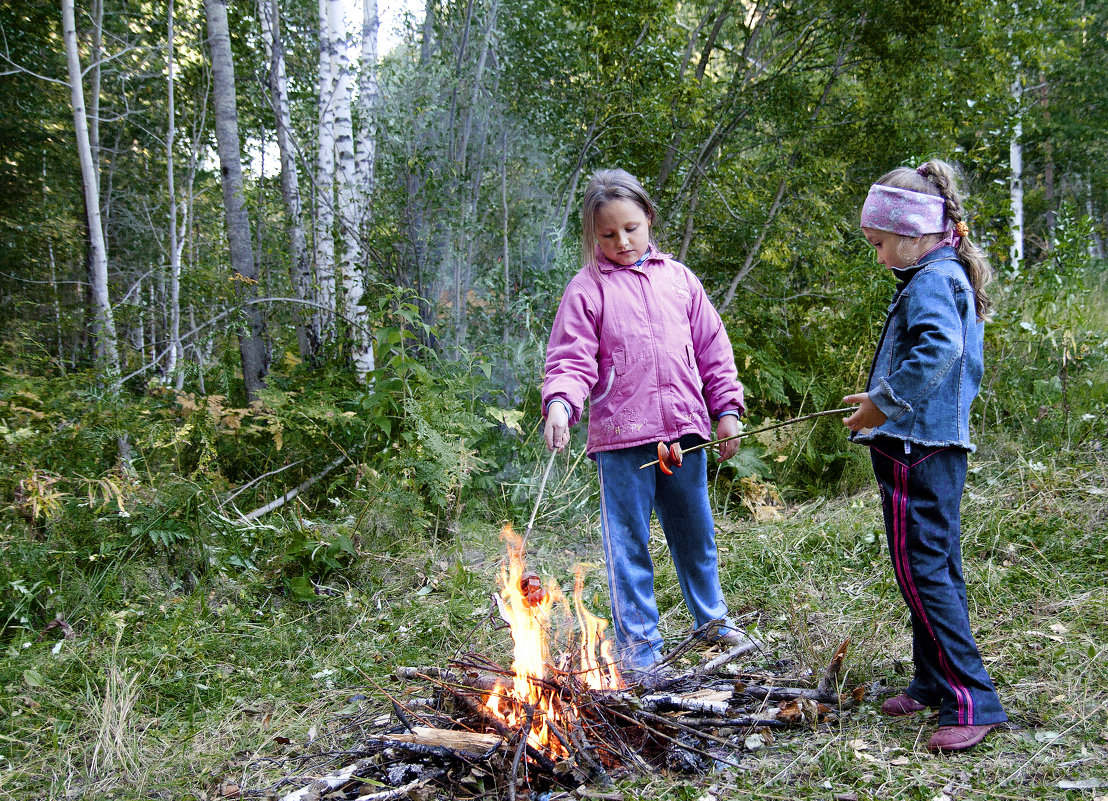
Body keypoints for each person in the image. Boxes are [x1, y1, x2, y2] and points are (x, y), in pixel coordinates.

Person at [542, 168, 750, 686]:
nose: (622, 242)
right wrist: (561, 406)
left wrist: (725, 410)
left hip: (684, 431)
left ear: (649, 220)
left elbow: (712, 350)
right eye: (608, 235)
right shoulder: (587, 289)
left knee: (695, 533)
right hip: (621, 441)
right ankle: (638, 647)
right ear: (593, 236)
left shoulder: (679, 280)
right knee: (627, 544)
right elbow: (571, 359)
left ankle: (713, 622)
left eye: (631, 228)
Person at [842, 159, 1007, 753]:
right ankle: (934, 681)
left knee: (923, 571)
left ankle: (973, 699)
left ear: (913, 233)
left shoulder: (933, 280)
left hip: (920, 448)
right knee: (929, 567)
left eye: (881, 242)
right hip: (922, 446)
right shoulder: (938, 271)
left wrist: (884, 404)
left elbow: (940, 347)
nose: (879, 254)